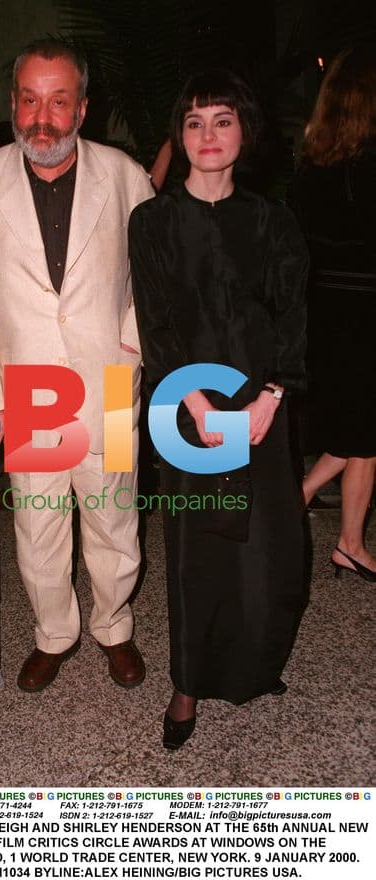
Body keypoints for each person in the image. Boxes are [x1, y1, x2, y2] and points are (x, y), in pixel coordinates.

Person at [0, 39, 154, 691]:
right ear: (13, 103)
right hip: (30, 386)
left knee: (115, 518)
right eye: (30, 99)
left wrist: (133, 351)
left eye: (59, 100)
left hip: (113, 382)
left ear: (82, 107)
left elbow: (153, 281)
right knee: (38, 527)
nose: (43, 117)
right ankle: (54, 634)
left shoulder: (125, 174)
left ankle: (113, 627)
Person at [129, 70, 309, 749]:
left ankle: (253, 661)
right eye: (195, 121)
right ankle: (187, 683)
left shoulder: (273, 219)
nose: (208, 135)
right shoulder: (152, 221)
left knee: (269, 550)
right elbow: (158, 325)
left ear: (245, 132)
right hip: (187, 406)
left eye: (223, 120)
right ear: (180, 134)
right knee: (197, 549)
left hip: (263, 403)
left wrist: (272, 396)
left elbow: (294, 316)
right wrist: (197, 403)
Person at [289, 46, 376, 583]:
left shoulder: (309, 168)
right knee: (366, 432)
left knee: (360, 428)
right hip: (367, 309)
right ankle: (347, 540)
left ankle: (323, 521)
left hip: (323, 312)